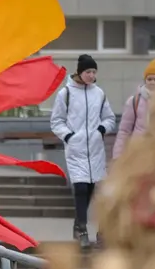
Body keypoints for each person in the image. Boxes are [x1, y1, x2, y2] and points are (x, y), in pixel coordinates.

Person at [50, 54, 117, 249]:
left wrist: (101, 130)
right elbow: (56, 121)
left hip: (96, 151)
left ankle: (103, 231)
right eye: (88, 71)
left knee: (98, 191)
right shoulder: (66, 94)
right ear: (80, 72)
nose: (91, 75)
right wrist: (69, 136)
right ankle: (81, 229)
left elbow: (109, 118)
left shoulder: (99, 93)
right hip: (76, 150)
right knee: (80, 188)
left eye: (94, 72)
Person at [112, 58, 155, 160]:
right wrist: (117, 156)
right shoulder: (135, 100)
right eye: (149, 79)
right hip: (138, 153)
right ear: (145, 80)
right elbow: (124, 130)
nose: (152, 82)